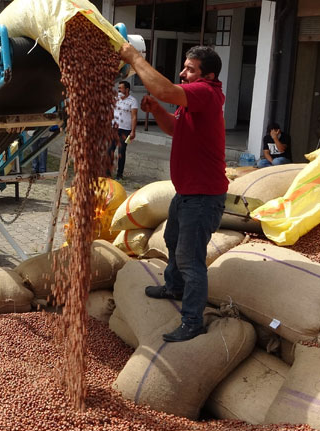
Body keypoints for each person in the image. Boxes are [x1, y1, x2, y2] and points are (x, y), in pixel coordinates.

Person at [120, 45, 227, 342]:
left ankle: (192, 321)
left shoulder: (206, 92)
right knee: (172, 239)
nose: (183, 72)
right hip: (187, 192)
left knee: (190, 259)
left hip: (203, 196)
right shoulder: (196, 98)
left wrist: (135, 58)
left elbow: (165, 89)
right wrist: (157, 111)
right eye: (184, 67)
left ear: (208, 75)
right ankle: (173, 287)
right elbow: (176, 128)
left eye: (190, 69)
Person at [109, 81, 138, 180]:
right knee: (110, 150)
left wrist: (133, 131)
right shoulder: (116, 99)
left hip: (125, 130)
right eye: (119, 88)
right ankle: (107, 173)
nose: (119, 90)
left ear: (127, 90)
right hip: (114, 128)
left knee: (121, 152)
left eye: (121, 88)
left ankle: (119, 174)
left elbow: (134, 117)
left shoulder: (132, 101)